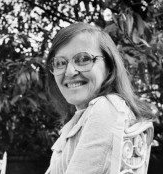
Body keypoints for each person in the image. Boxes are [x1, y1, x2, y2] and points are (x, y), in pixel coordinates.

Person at [45, 22, 155, 174]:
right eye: (60, 63)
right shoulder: (83, 118)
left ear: (109, 66)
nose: (69, 72)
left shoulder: (106, 107)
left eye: (83, 59)